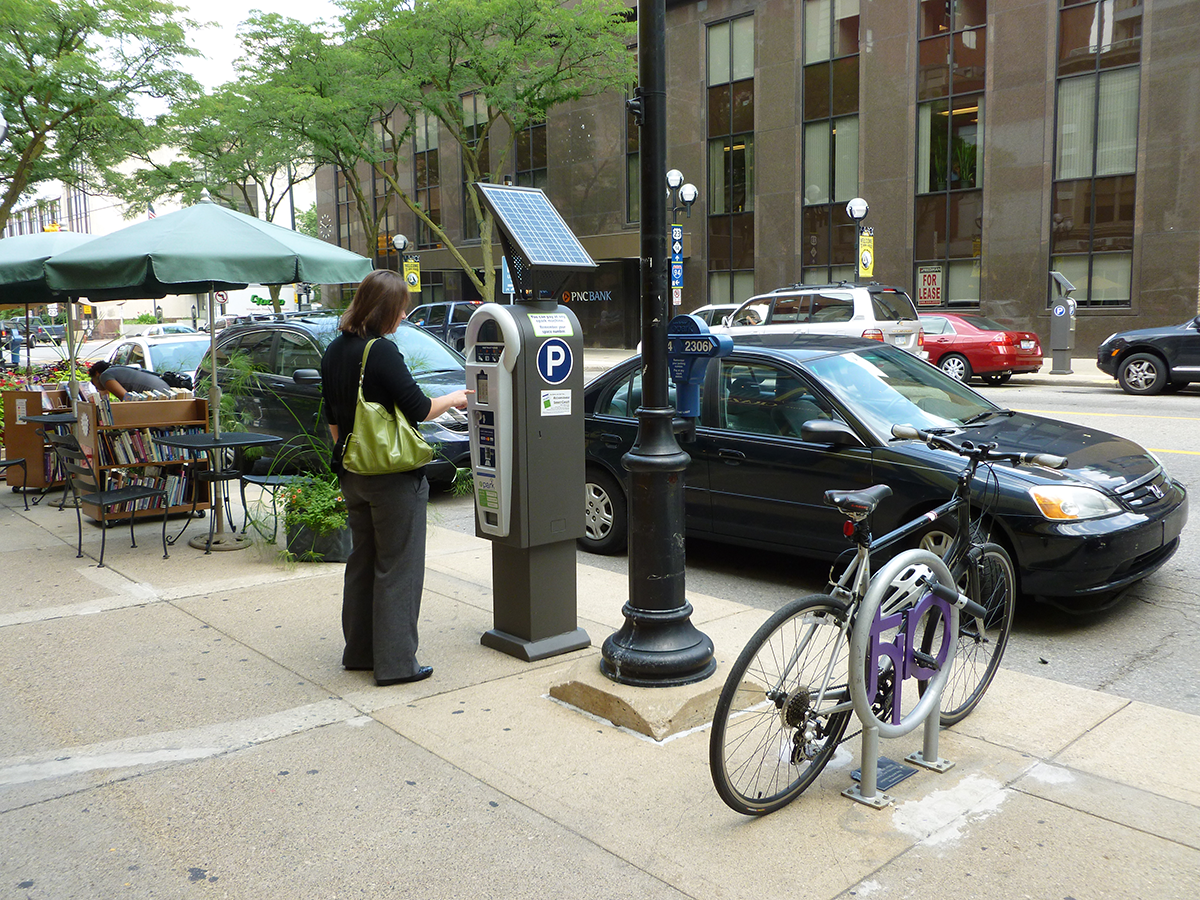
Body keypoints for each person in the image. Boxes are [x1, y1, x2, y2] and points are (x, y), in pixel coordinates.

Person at [320, 270, 471, 686]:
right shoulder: (381, 352)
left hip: (353, 472)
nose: (404, 315)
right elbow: (420, 408)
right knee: (399, 568)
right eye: (400, 307)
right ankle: (397, 663)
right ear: (385, 309)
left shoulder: (334, 350)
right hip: (392, 477)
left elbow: (333, 418)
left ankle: (360, 653)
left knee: (363, 562)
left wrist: (352, 454)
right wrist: (456, 397)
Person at [88, 361, 171, 398]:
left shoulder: (105, 376)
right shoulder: (116, 370)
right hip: (165, 392)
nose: (96, 387)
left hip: (158, 397)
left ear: (97, 373)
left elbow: (127, 399)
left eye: (92, 382)